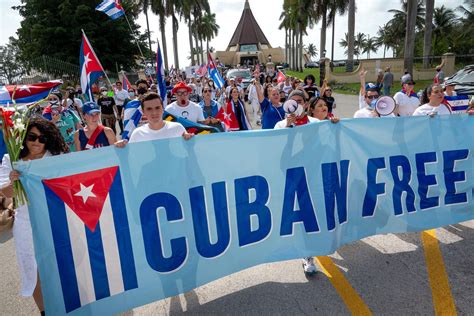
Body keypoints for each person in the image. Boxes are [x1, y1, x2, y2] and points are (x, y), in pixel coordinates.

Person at [0, 118, 69, 315]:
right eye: (32, 137)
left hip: (55, 221)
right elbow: (4, 193)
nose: (37, 142)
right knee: (33, 269)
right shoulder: (10, 160)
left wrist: (118, 149)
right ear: (23, 138)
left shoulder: (56, 158)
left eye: (42, 138)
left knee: (62, 265)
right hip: (25, 224)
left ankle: (69, 305)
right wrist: (15, 181)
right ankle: (45, 312)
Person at [115, 92, 193, 145]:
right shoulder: (137, 134)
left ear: (163, 109)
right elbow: (131, 159)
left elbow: (189, 153)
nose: (154, 112)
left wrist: (191, 140)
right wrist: (122, 148)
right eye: (149, 109)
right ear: (143, 112)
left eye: (157, 108)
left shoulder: (178, 128)